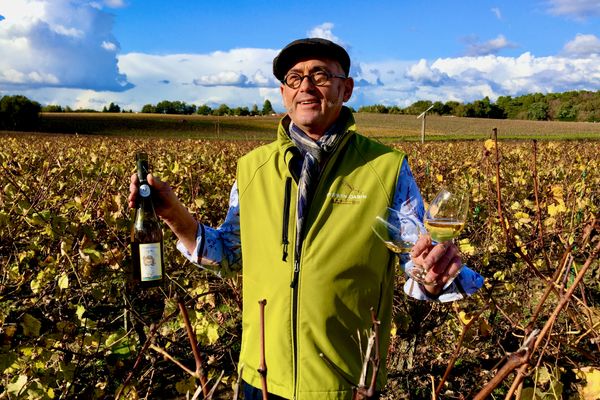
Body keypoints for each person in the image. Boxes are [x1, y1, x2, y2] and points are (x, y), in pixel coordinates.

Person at [128, 38, 483, 400]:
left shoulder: (386, 168)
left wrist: (434, 275)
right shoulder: (252, 168)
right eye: (295, 78)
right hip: (261, 376)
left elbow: (417, 261)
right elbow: (231, 255)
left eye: (320, 75)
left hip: (346, 382)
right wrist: (173, 215)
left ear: (346, 89)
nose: (307, 87)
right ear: (283, 93)